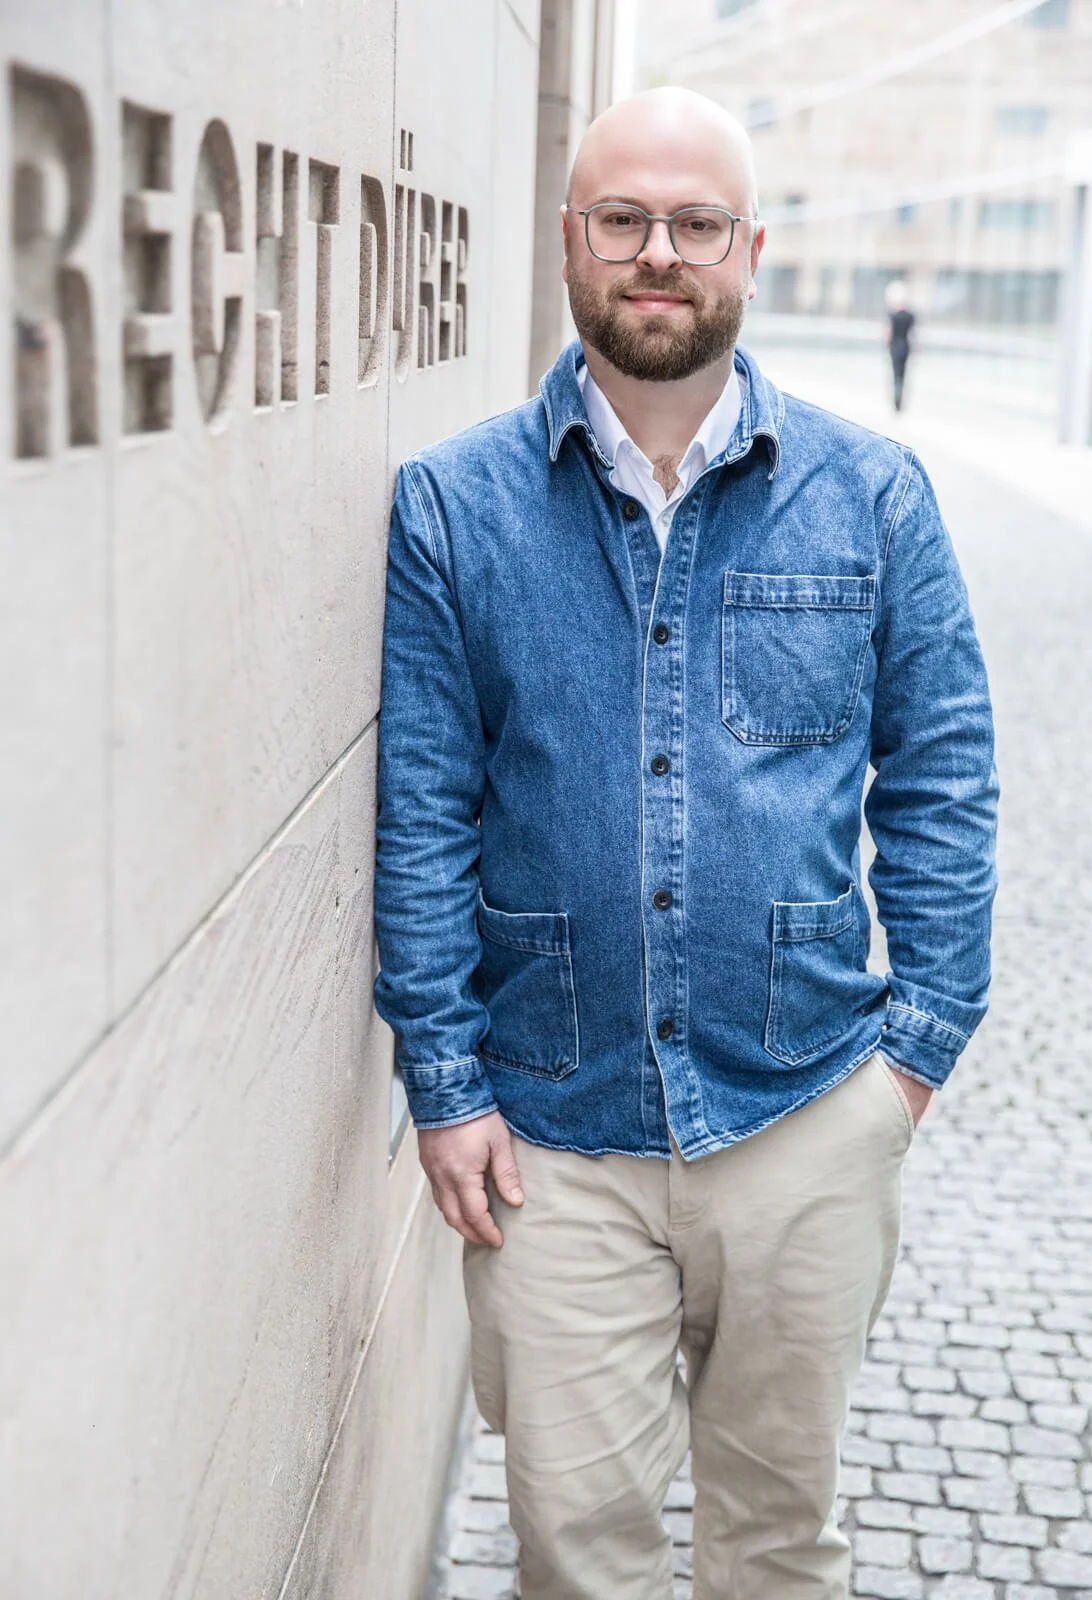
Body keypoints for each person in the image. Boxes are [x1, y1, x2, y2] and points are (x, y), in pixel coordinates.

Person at [373, 86, 997, 1600]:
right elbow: (419, 812)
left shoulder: (874, 496)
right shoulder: (454, 507)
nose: (660, 253)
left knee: (779, 1545)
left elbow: (945, 785)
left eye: (695, 224)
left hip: (803, 1117)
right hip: (551, 1145)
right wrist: (444, 1084)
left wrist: (909, 1054)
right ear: (570, 238)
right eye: (625, 219)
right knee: (573, 1552)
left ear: (750, 250)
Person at [885, 278, 916, 412]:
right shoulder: (910, 315)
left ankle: (896, 401)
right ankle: (901, 399)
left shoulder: (893, 315)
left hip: (896, 346)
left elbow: (888, 333)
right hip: (906, 346)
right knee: (903, 374)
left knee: (895, 374)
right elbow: (914, 334)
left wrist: (887, 345)